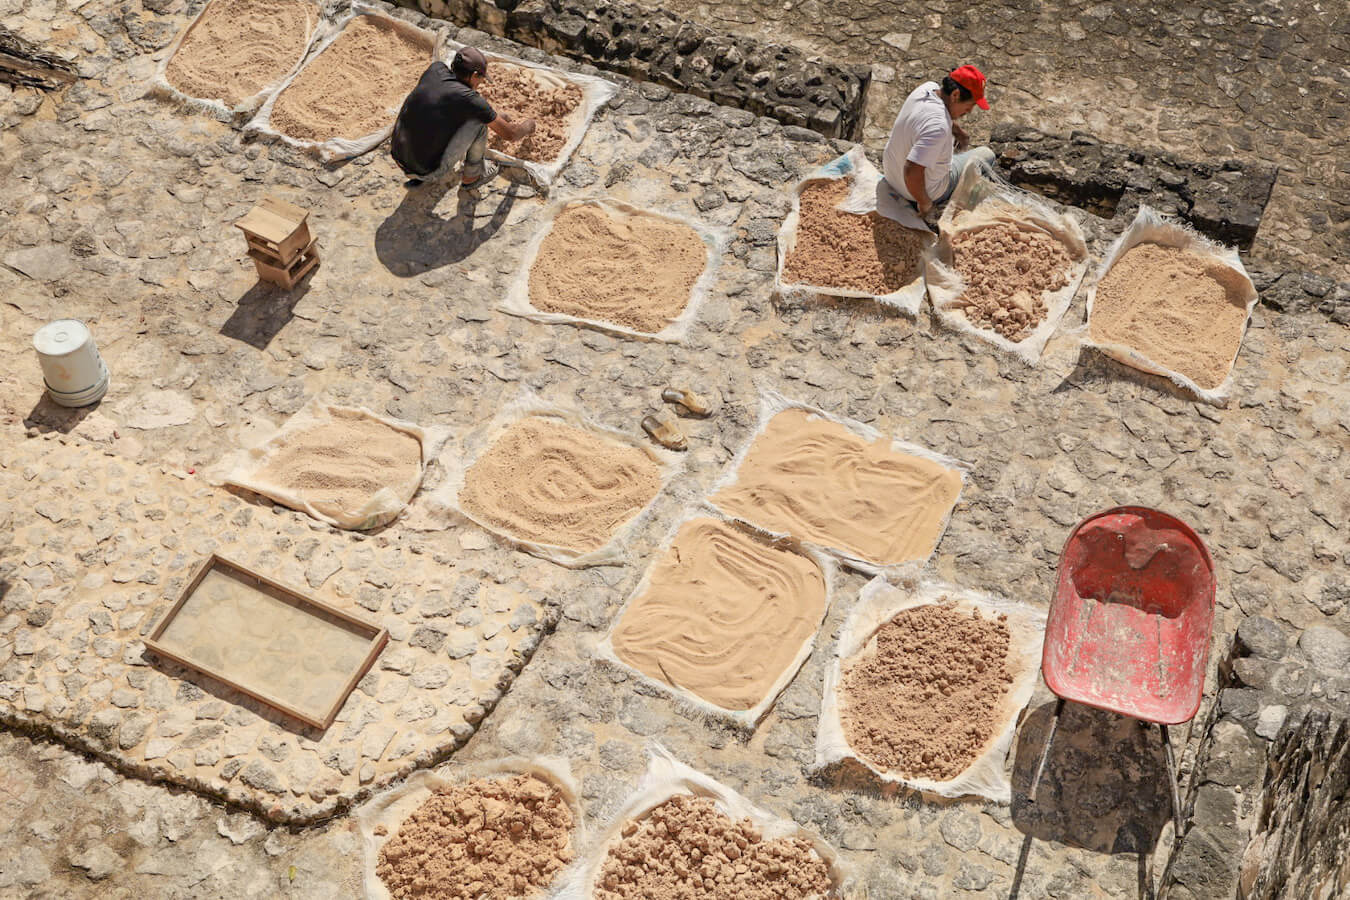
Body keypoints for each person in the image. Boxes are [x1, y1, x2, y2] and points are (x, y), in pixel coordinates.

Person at [390, 47, 536, 192]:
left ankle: (418, 169)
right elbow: (511, 135)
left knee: (438, 119)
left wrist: (493, 115)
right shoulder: (471, 101)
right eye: (481, 78)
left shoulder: (436, 69)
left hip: (398, 156)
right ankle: (472, 177)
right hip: (427, 171)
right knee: (479, 123)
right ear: (474, 75)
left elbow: (437, 106)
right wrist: (528, 125)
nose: (481, 83)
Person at [882, 65, 996, 219]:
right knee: (987, 155)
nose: (969, 111)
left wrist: (957, 131)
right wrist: (925, 203)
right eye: (970, 105)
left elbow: (937, 116)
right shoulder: (938, 128)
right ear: (955, 95)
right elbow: (911, 171)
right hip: (915, 190)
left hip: (890, 174)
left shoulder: (927, 88)